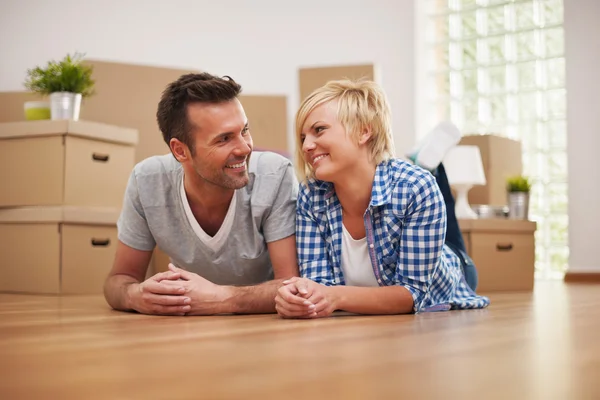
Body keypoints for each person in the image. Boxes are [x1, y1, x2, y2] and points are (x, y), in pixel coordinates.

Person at [275, 79, 490, 318]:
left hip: (450, 274)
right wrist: (301, 297)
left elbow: (412, 293)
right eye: (303, 137)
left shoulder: (416, 187)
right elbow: (317, 284)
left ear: (364, 131)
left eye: (319, 130)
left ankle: (435, 168)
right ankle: (427, 161)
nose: (306, 146)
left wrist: (334, 296)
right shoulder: (311, 194)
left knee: (455, 248)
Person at [104, 72, 299, 316]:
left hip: (265, 330)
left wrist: (223, 299)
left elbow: (292, 285)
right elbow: (118, 280)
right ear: (180, 150)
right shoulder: (147, 181)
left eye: (245, 130)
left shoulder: (275, 175)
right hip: (186, 330)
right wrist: (135, 295)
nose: (245, 147)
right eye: (224, 139)